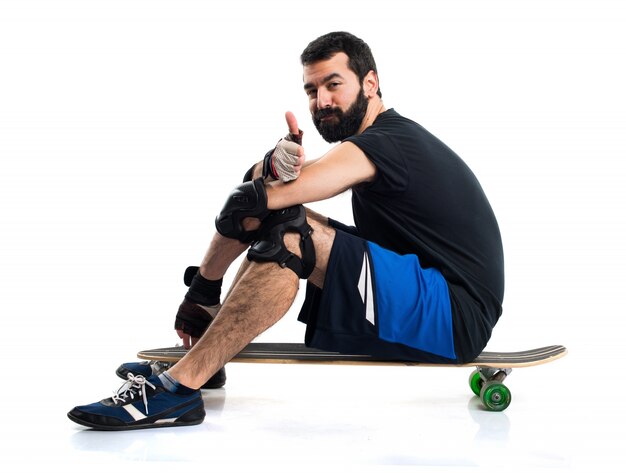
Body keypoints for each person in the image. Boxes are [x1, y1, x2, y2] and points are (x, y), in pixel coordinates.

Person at [68, 31, 504, 430]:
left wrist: (203, 285)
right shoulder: (383, 141)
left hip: (453, 314)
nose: (322, 101)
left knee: (288, 234)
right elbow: (261, 186)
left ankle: (179, 388)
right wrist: (274, 162)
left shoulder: (385, 144)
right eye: (312, 90)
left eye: (334, 84)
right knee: (281, 219)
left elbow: (256, 199)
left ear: (370, 84)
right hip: (425, 289)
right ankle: (204, 352)